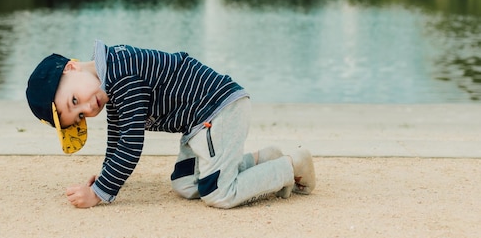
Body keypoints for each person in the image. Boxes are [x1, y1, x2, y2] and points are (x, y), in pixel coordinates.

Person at [26, 40, 316, 209]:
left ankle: (291, 166)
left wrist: (100, 193)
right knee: (185, 184)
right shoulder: (108, 82)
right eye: (78, 117)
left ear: (72, 67)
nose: (87, 109)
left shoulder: (122, 74)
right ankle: (265, 160)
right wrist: (103, 178)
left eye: (74, 100)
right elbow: (116, 137)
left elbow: (130, 143)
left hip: (218, 109)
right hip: (198, 125)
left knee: (218, 193)